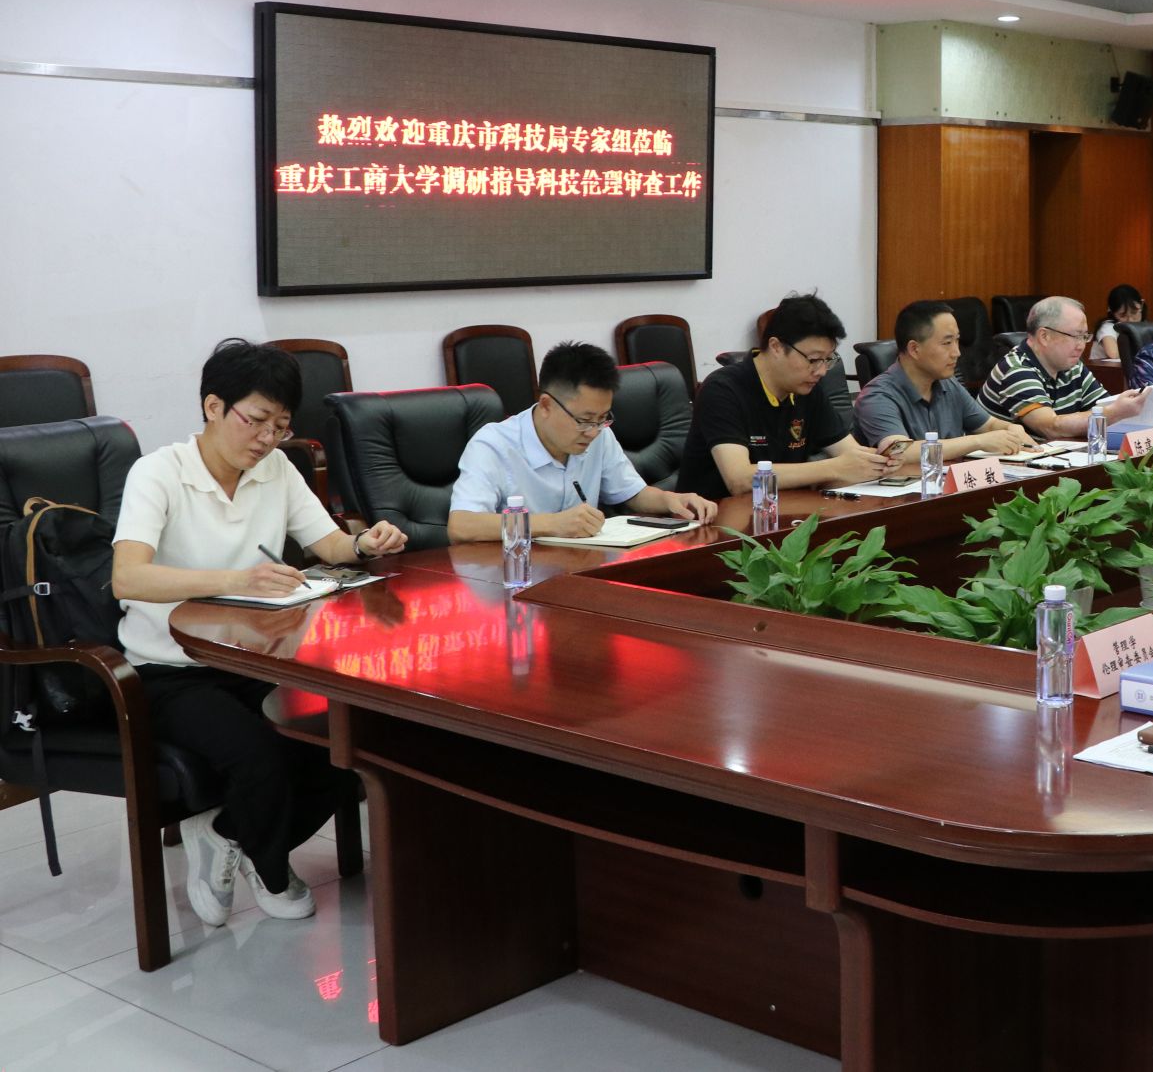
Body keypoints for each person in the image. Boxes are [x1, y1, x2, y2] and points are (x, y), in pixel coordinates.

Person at [110, 339, 409, 926]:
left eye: (281, 425)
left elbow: (329, 545)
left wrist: (364, 543)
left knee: (342, 743)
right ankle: (272, 869)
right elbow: (129, 577)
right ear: (213, 406)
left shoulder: (276, 469)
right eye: (256, 420)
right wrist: (237, 579)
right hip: (168, 670)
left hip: (254, 659)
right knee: (259, 757)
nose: (268, 438)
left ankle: (226, 834)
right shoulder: (159, 473)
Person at [448, 341, 716, 541]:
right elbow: (461, 526)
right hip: (516, 576)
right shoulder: (493, 444)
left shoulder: (599, 433)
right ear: (546, 405)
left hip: (580, 567)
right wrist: (552, 524)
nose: (593, 431)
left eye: (602, 418)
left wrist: (672, 500)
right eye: (584, 419)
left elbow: (632, 494)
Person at [677, 294, 895, 499]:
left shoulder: (806, 388)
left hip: (785, 512)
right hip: (716, 518)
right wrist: (835, 468)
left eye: (828, 359)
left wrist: (879, 462)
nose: (821, 371)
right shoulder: (722, 389)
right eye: (814, 359)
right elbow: (739, 479)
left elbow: (851, 455)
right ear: (776, 347)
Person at [854, 300, 1034, 459]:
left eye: (957, 341)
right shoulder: (877, 396)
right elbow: (899, 452)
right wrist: (977, 441)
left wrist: (1010, 429)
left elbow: (988, 425)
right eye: (947, 343)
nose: (957, 352)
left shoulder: (948, 383)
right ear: (914, 349)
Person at [981, 296, 1144, 439]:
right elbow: (1051, 428)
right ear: (1044, 336)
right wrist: (1114, 412)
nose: (1081, 346)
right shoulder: (1016, 369)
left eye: (1084, 336)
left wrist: (1121, 408)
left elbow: (1104, 406)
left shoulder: (1073, 366)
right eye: (1076, 336)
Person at [1092, 284, 1146, 362]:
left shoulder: (1144, 326)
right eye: (1123, 315)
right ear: (1112, 312)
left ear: (1142, 304)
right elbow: (1113, 354)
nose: (1130, 320)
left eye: (1134, 312)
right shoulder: (1107, 327)